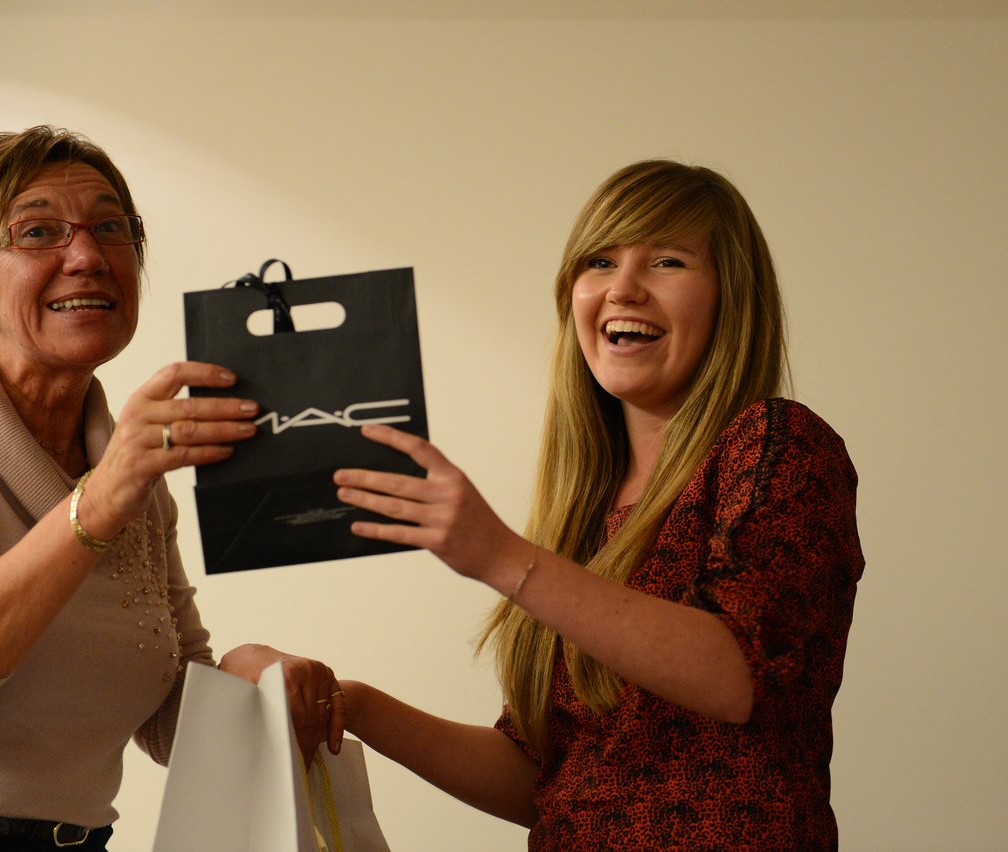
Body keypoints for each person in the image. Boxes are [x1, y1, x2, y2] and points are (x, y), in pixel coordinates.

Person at [333, 159, 866, 848]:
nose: (624, 289)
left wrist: (500, 557)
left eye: (667, 261)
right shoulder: (585, 514)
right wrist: (355, 707)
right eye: (599, 262)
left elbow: (739, 674)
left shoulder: (776, 444)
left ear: (732, 297)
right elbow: (549, 778)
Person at [0, 126, 346, 851]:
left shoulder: (130, 468)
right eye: (38, 232)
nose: (87, 256)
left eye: (110, 228)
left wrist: (250, 676)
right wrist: (95, 505)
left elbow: (162, 720)